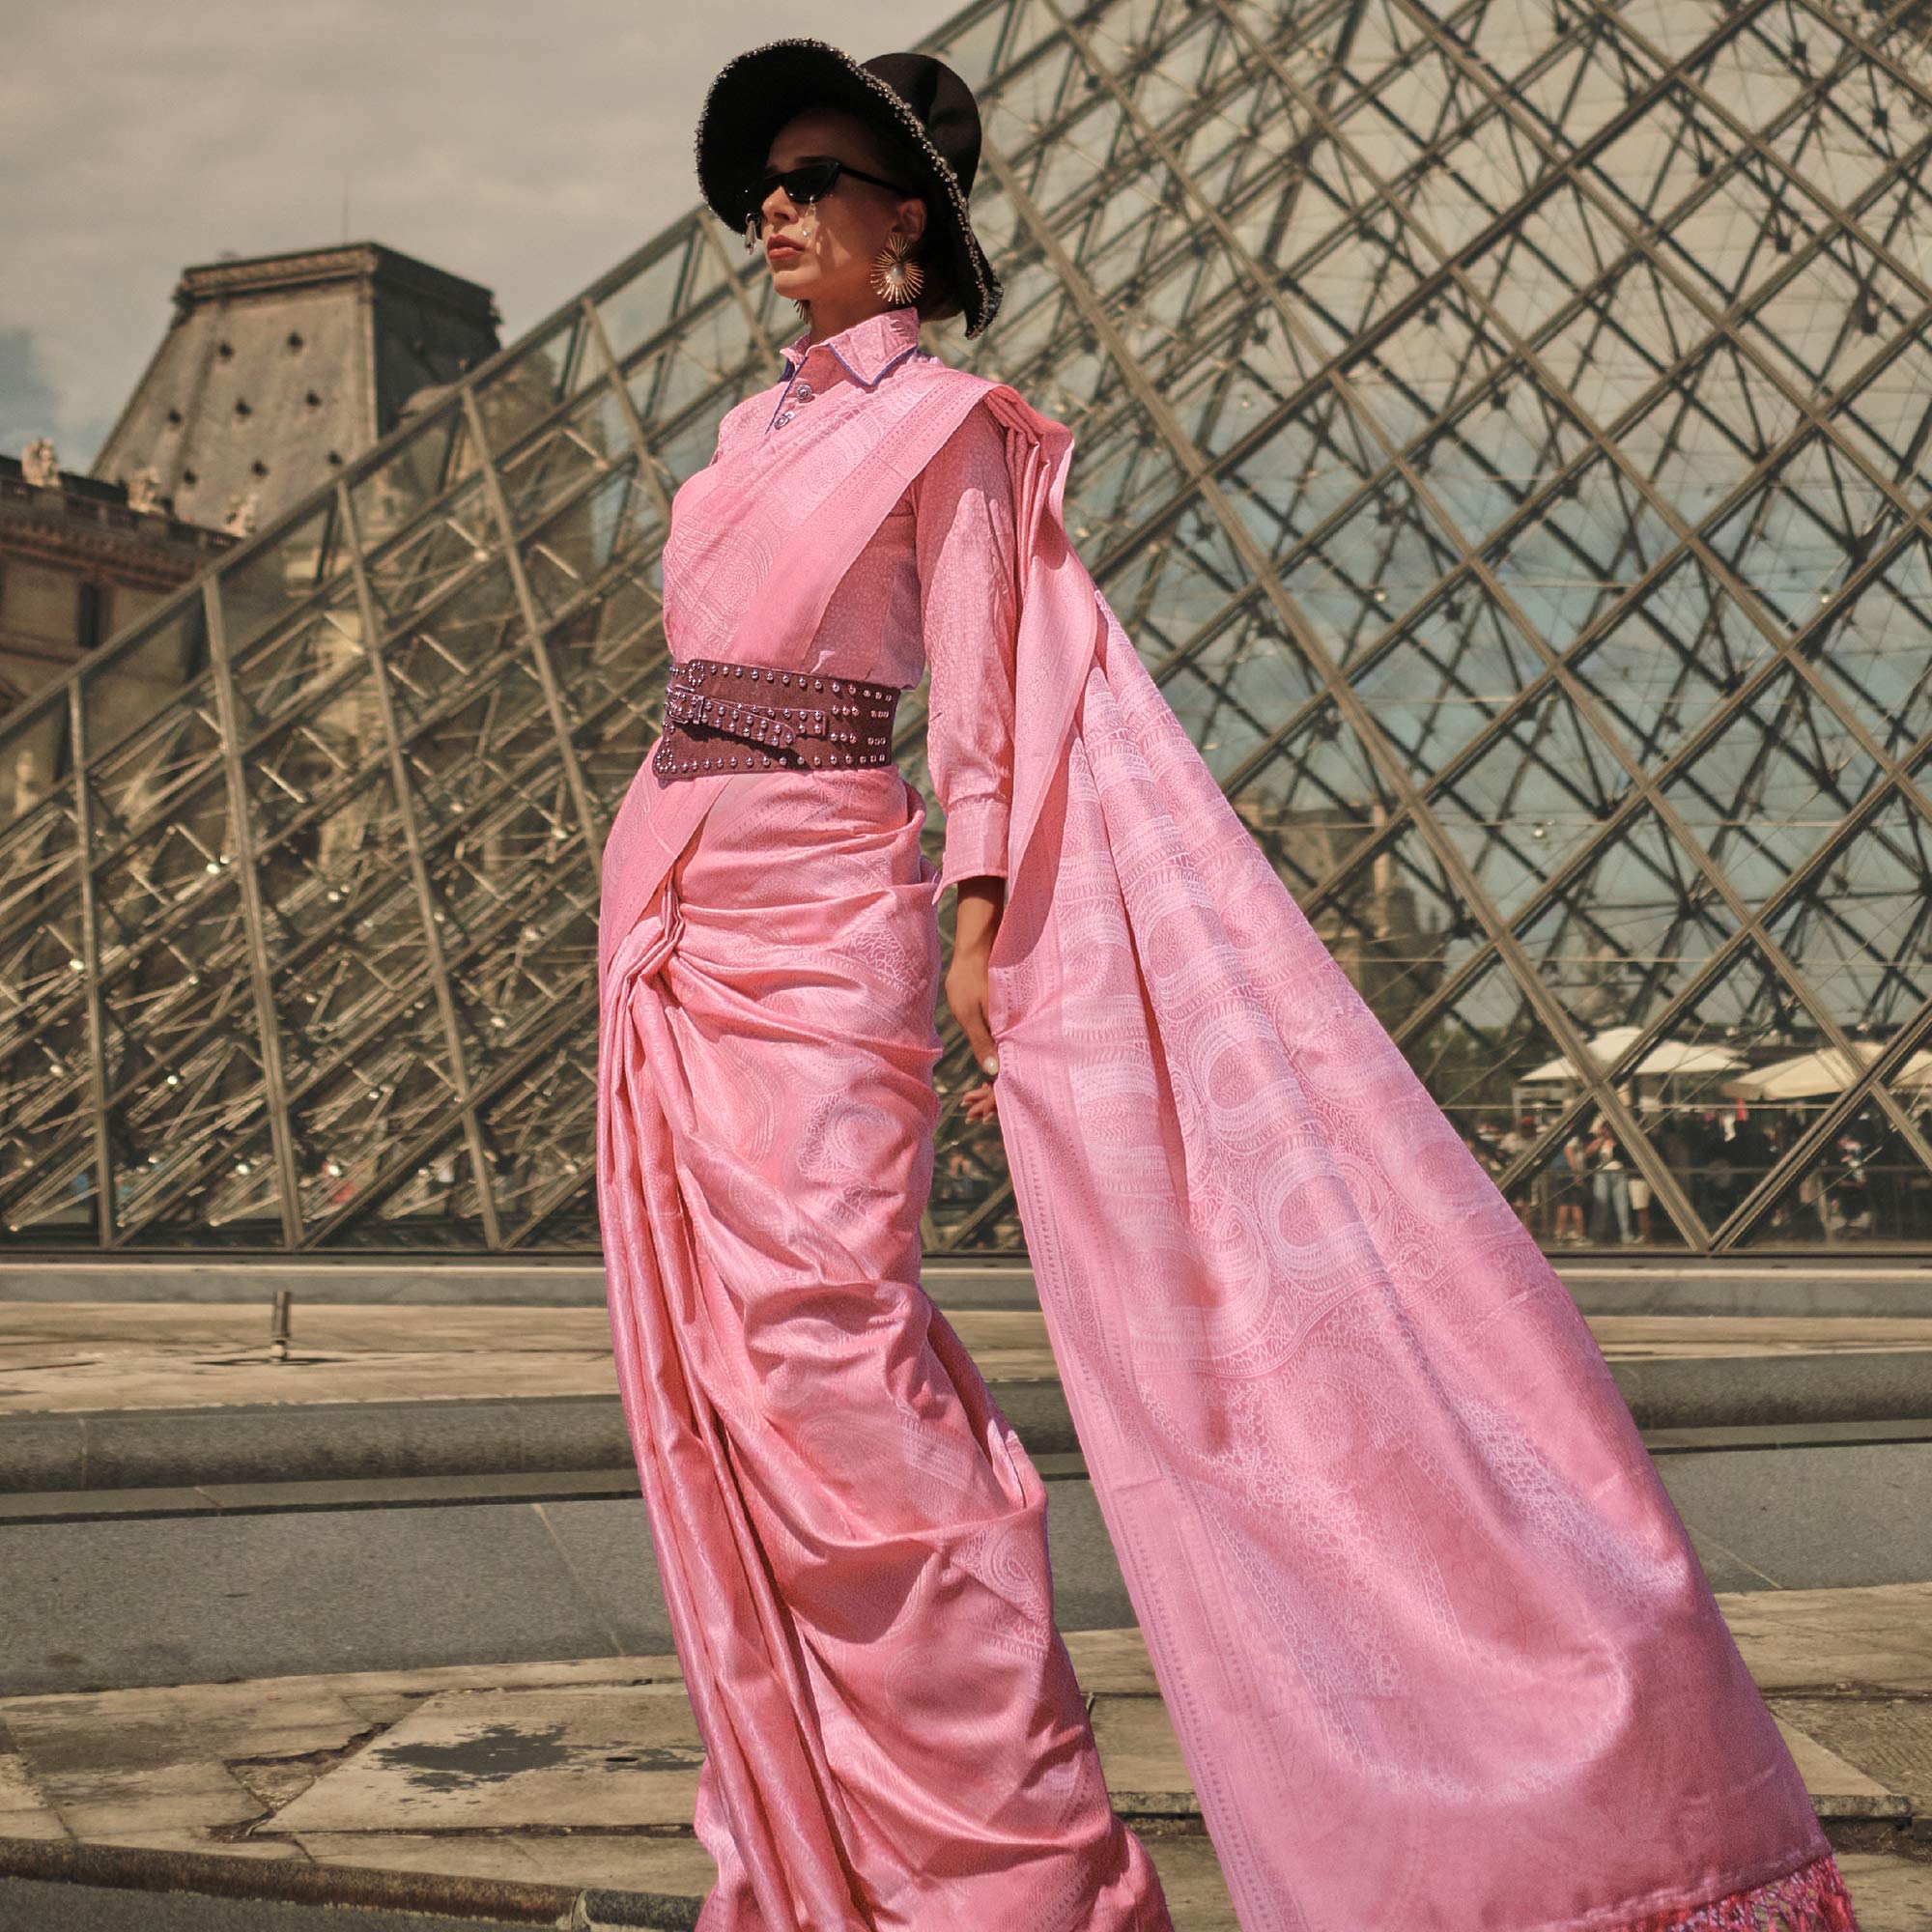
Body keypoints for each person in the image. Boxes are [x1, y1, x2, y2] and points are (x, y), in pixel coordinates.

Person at [595, 37, 1861, 1932]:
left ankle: (1013, 1862)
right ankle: (828, 1845)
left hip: (822, 911)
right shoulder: (734, 451)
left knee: (821, 1364)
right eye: (756, 183)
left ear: (908, 230)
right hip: (674, 905)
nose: (770, 206)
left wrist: (980, 899)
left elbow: (988, 680)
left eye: (815, 176)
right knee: (720, 1383)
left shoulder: (942, 424)